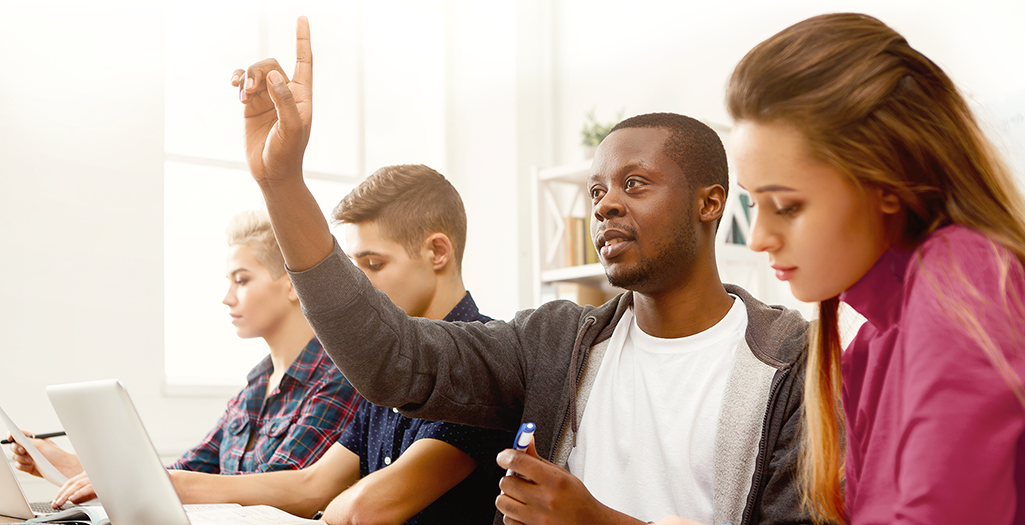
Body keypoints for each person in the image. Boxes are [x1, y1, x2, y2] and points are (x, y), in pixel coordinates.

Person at [229, 17, 813, 525]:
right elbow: (391, 360)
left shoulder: (793, 360)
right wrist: (281, 183)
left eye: (634, 184)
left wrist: (596, 521)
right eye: (597, 190)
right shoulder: (554, 342)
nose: (605, 205)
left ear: (710, 204)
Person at [39, 166, 514, 525]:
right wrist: (171, 482)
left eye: (372, 263)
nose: (359, 287)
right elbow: (314, 486)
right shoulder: (385, 369)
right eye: (354, 267)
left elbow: (371, 505)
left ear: (437, 252)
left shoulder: (480, 364)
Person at [726, 12, 1025, 525]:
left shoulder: (963, 280)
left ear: (886, 183)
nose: (761, 237)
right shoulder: (869, 348)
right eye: (753, 206)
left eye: (786, 205)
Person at [11, 209, 359, 483]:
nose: (226, 298)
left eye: (242, 280)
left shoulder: (339, 377)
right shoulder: (252, 391)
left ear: (293, 285)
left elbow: (283, 489)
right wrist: (67, 463)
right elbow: (183, 473)